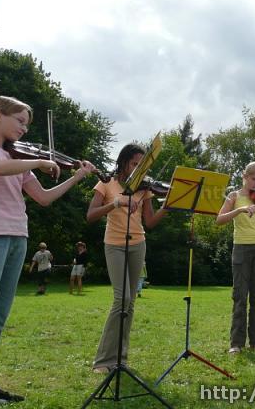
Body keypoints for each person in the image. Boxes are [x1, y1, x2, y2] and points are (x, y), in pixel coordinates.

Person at [0, 95, 96, 409]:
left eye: (27, 124)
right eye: (21, 121)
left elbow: (43, 198)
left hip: (17, 238)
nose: (25, 129)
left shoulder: (17, 157)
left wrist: (77, 176)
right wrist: (39, 162)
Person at [87, 143, 166, 373]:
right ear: (123, 162)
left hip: (138, 245)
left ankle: (120, 359)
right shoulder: (106, 183)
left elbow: (150, 222)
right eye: (134, 164)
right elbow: (90, 215)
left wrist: (168, 206)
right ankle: (103, 360)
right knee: (122, 299)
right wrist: (115, 203)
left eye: (141, 166)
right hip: (114, 245)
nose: (137, 169)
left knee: (130, 304)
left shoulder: (144, 188)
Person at [216, 162, 255, 354]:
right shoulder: (234, 196)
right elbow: (219, 219)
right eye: (254, 179)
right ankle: (236, 343)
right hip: (241, 248)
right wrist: (239, 210)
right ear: (244, 176)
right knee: (240, 296)